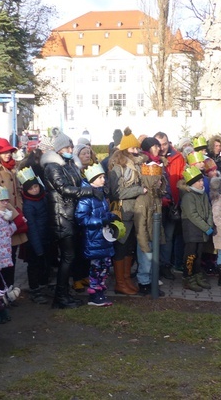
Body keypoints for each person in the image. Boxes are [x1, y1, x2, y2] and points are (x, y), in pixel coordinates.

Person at [41, 133, 93, 308]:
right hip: (61, 216)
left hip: (71, 215)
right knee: (67, 257)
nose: (70, 150)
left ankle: (65, 293)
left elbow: (77, 184)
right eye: (66, 148)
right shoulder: (53, 166)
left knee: (70, 257)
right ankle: (60, 297)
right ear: (58, 149)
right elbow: (64, 188)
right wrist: (90, 192)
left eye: (71, 147)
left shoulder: (70, 164)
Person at [0, 137, 28, 286]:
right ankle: (2, 289)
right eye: (4, 152)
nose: (8, 154)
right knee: (3, 257)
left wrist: (20, 211)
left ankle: (11, 287)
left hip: (14, 213)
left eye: (9, 151)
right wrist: (16, 216)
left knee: (12, 255)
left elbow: (17, 193)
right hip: (3, 216)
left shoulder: (12, 167)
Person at [107, 127, 146, 295]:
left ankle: (126, 279)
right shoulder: (118, 168)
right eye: (133, 149)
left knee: (129, 248)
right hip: (122, 213)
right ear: (124, 150)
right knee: (121, 248)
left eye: (137, 148)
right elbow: (116, 193)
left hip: (133, 213)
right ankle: (120, 283)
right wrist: (139, 190)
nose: (136, 151)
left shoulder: (135, 166)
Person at [75, 164, 116, 306]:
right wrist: (101, 221)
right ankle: (94, 294)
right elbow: (81, 218)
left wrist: (111, 216)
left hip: (103, 237)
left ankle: (101, 291)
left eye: (103, 176)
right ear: (92, 179)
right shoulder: (86, 198)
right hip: (94, 239)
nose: (103, 179)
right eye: (100, 177)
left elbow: (103, 212)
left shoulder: (101, 195)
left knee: (104, 266)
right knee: (96, 267)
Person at [17, 167, 51, 304]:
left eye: (36, 186)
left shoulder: (43, 198)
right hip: (34, 242)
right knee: (34, 265)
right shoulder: (29, 205)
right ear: (26, 190)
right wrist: (37, 247)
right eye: (31, 188)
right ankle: (34, 289)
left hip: (45, 238)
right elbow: (31, 227)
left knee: (44, 264)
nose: (35, 190)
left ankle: (43, 285)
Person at [133, 160, 167, 296]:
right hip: (146, 239)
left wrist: (160, 236)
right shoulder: (143, 200)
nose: (160, 183)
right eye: (158, 180)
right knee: (145, 263)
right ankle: (143, 284)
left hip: (154, 236)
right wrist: (143, 243)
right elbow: (140, 225)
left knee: (153, 262)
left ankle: (151, 282)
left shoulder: (156, 198)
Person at [178, 166, 213, 292]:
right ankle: (188, 277)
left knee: (199, 254)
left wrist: (209, 224)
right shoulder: (188, 196)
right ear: (192, 183)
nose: (201, 183)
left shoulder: (202, 194)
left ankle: (197, 273)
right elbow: (192, 215)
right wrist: (206, 227)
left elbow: (208, 209)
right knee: (190, 254)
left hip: (202, 229)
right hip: (192, 229)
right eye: (198, 181)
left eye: (202, 180)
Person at [154, 132, 184, 280]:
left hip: (172, 204)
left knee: (168, 237)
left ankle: (165, 266)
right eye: (159, 145)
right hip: (156, 205)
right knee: (154, 236)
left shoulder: (178, 157)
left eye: (165, 144)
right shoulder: (151, 159)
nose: (163, 147)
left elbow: (182, 177)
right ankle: (153, 267)